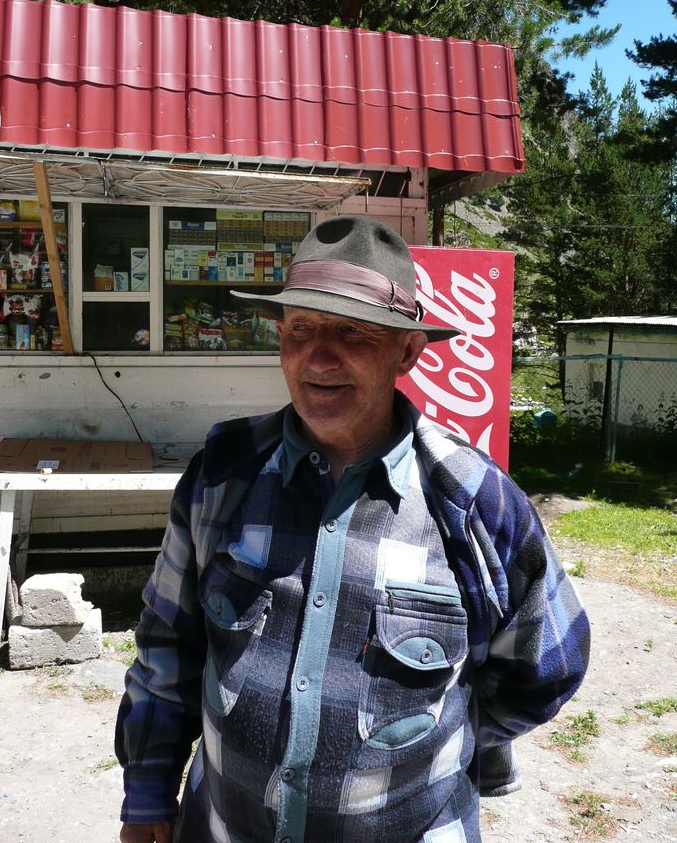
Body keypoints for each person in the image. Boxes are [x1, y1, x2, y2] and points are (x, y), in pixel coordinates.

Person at [116, 216, 590, 843]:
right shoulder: (224, 474)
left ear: (408, 352)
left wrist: (436, 745)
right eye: (301, 329)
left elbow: (548, 664)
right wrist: (148, 791)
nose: (318, 357)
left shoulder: (475, 500)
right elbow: (167, 644)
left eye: (351, 331)